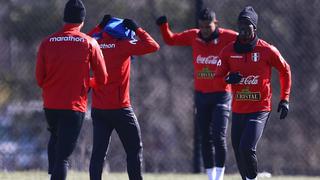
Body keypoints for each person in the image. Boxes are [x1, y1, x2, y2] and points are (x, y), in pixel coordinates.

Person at [156, 8, 237, 180]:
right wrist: (164, 26)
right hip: (201, 95)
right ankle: (210, 177)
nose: (205, 30)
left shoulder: (228, 37)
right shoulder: (194, 36)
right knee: (204, 138)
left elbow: (247, 40)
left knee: (218, 136)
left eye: (208, 26)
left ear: (216, 24)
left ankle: (219, 177)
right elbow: (170, 39)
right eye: (202, 27)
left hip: (222, 94)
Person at [215, 6, 291, 180]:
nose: (242, 31)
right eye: (240, 27)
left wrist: (284, 98)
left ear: (254, 29)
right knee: (238, 151)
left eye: (247, 28)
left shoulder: (267, 50)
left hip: (260, 108)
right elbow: (217, 77)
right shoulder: (228, 51)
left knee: (246, 148)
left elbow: (285, 70)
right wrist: (228, 79)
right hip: (238, 109)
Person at [35, 0, 108, 179]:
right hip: (74, 106)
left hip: (50, 105)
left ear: (64, 19)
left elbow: (39, 79)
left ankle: (53, 173)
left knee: (55, 137)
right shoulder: (89, 43)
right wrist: (87, 84)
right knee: (63, 158)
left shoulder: (47, 42)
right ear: (82, 21)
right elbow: (103, 78)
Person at [87, 15, 160, 180]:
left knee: (98, 154)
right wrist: (137, 28)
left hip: (99, 110)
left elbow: (83, 40)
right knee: (134, 150)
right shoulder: (123, 45)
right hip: (121, 109)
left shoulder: (94, 44)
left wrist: (99, 26)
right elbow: (153, 45)